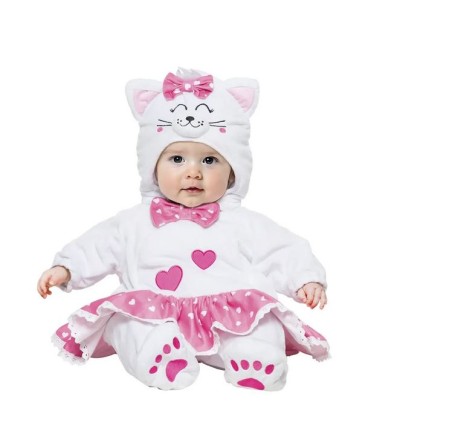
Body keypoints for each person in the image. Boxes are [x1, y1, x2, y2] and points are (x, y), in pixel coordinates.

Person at [37, 68, 329, 391]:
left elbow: (281, 248)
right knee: (127, 321)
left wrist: (306, 278)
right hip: (155, 314)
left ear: (233, 172)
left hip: (226, 318)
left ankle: (254, 357)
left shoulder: (242, 222)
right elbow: (98, 245)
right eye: (177, 159)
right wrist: (67, 268)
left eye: (209, 161)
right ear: (152, 168)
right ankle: (159, 356)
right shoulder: (134, 222)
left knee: (260, 319)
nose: (193, 173)